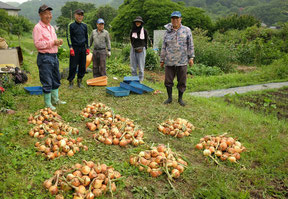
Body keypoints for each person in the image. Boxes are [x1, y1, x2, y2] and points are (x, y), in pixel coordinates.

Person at [33, 4, 66, 110]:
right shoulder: (38, 28)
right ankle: (48, 104)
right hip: (45, 57)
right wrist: (52, 42)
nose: (48, 16)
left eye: (49, 13)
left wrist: (58, 42)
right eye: (45, 13)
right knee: (47, 81)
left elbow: (52, 42)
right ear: (40, 15)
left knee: (56, 78)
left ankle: (55, 99)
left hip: (54, 56)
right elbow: (38, 44)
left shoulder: (51, 27)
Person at [160, 11, 195, 106]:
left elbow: (190, 44)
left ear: (180, 19)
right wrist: (162, 60)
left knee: (182, 81)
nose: (175, 20)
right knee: (168, 81)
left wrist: (191, 57)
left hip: (182, 60)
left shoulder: (187, 30)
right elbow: (164, 46)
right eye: (173, 18)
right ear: (171, 20)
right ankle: (169, 98)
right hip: (169, 61)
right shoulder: (167, 31)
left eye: (177, 18)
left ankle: (180, 99)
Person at [67, 9, 89, 88]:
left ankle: (79, 81)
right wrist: (70, 47)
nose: (80, 16)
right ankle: (71, 81)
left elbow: (87, 37)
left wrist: (88, 47)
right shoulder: (71, 25)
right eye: (78, 14)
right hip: (74, 48)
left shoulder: (85, 26)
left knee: (82, 66)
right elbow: (69, 36)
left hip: (83, 48)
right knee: (73, 66)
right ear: (75, 15)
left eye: (81, 15)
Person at [130, 16, 149, 82]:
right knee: (133, 66)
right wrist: (133, 47)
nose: (137, 23)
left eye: (139, 22)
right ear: (135, 23)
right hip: (133, 49)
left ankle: (140, 80)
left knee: (141, 67)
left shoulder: (144, 31)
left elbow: (146, 40)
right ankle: (134, 79)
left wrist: (144, 48)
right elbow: (131, 40)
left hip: (141, 49)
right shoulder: (132, 31)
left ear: (141, 23)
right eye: (136, 22)